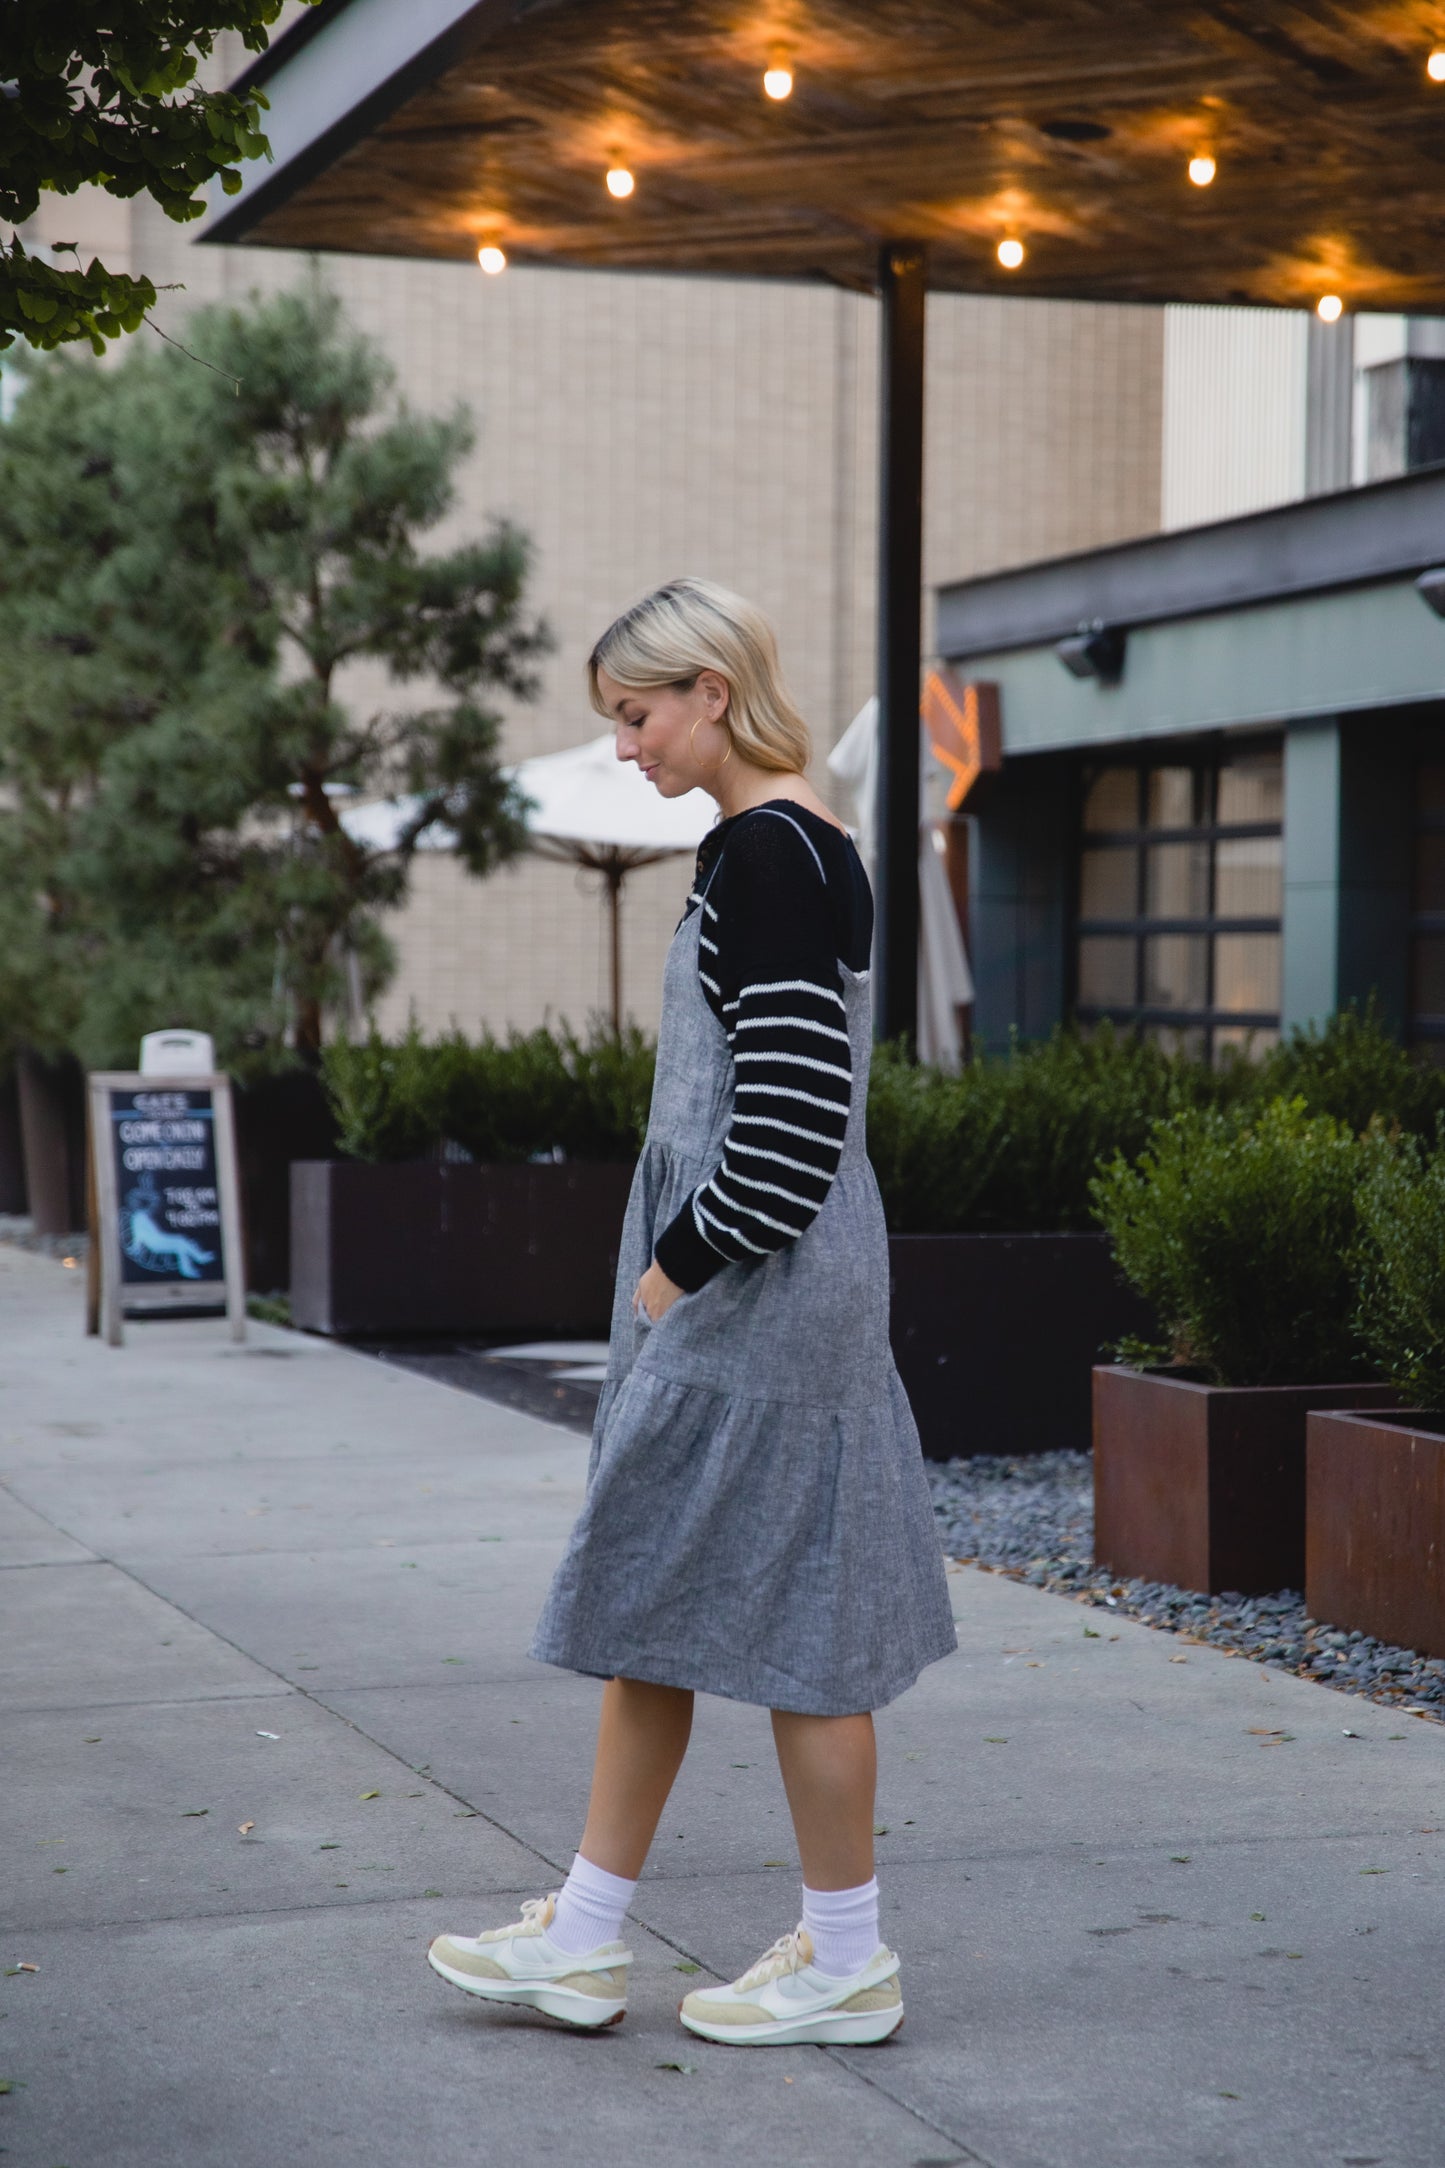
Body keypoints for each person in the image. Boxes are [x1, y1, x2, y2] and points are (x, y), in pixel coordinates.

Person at [428, 577, 957, 2046]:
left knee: (794, 1624)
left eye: (637, 712)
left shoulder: (769, 856)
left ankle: (841, 1957)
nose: (625, 746)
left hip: (754, 1301)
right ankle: (590, 1938)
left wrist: (671, 1274)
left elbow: (785, 1124)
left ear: (712, 693)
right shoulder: (789, 842)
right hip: (781, 1296)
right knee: (663, 1604)